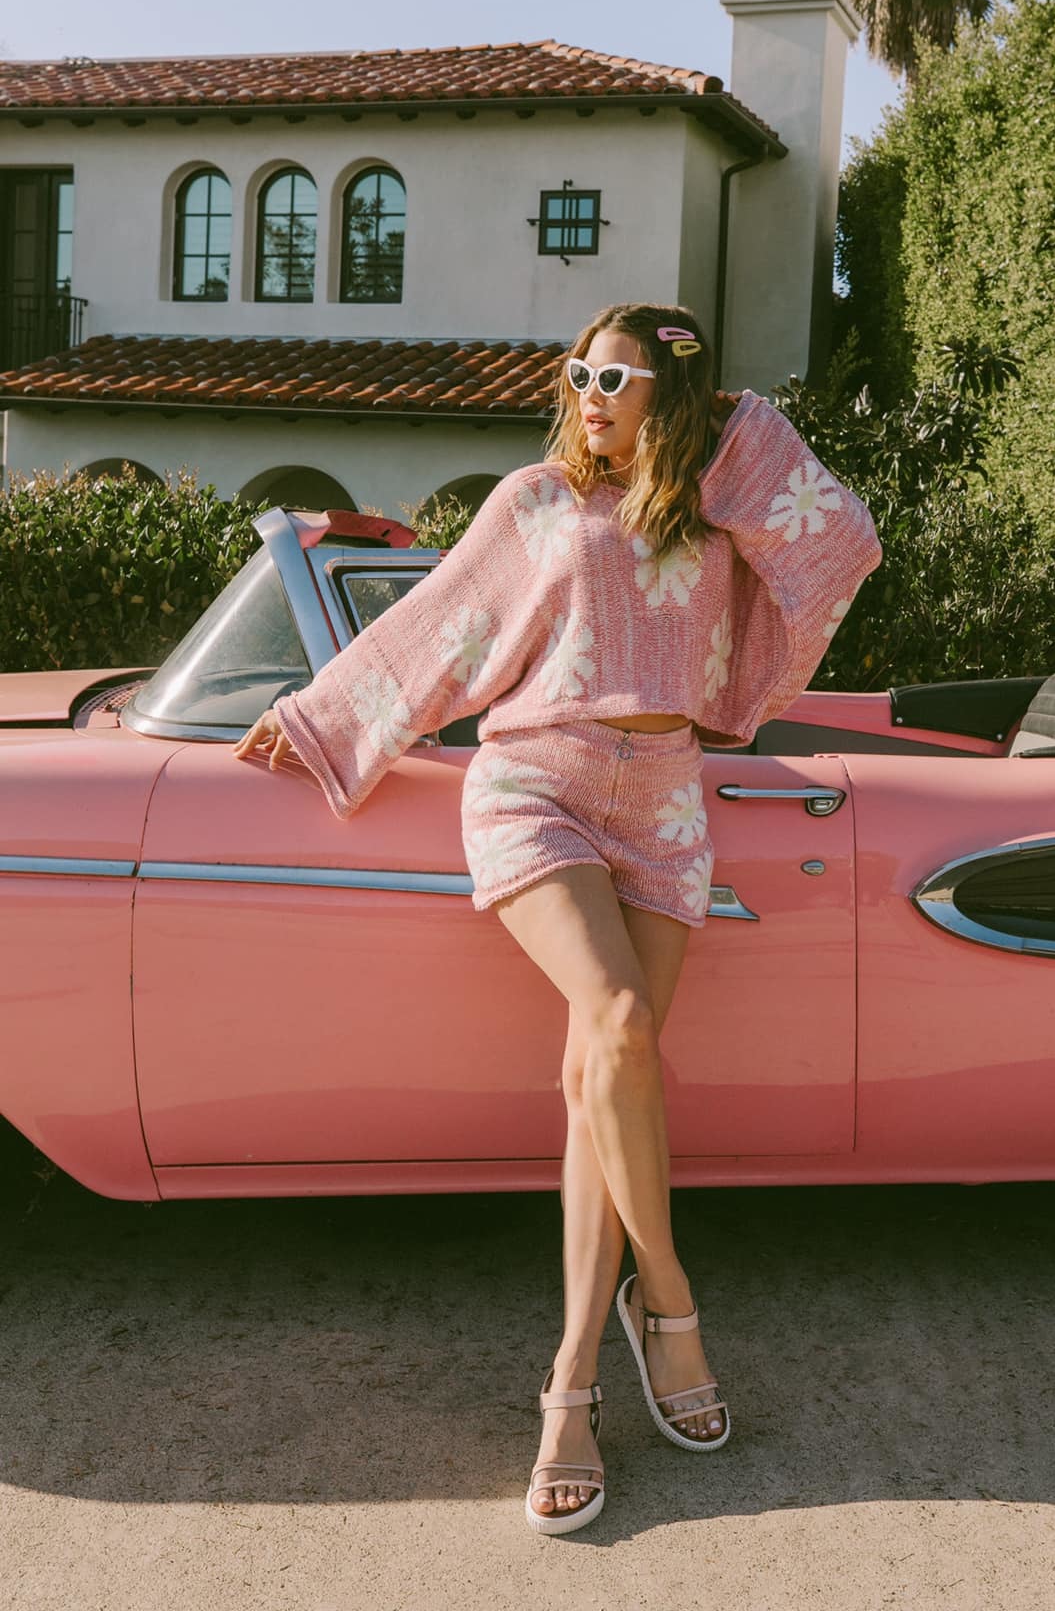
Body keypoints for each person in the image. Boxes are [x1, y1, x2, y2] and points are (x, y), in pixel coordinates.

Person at [231, 299, 883, 1534]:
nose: (588, 394)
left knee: (601, 1078)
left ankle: (574, 1379)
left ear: (674, 399)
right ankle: (667, 1299)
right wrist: (319, 715)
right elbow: (439, 624)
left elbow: (841, 541)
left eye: (616, 379)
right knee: (621, 1019)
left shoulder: (716, 508)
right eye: (578, 373)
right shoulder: (534, 499)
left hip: (665, 797)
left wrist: (721, 417)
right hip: (537, 779)